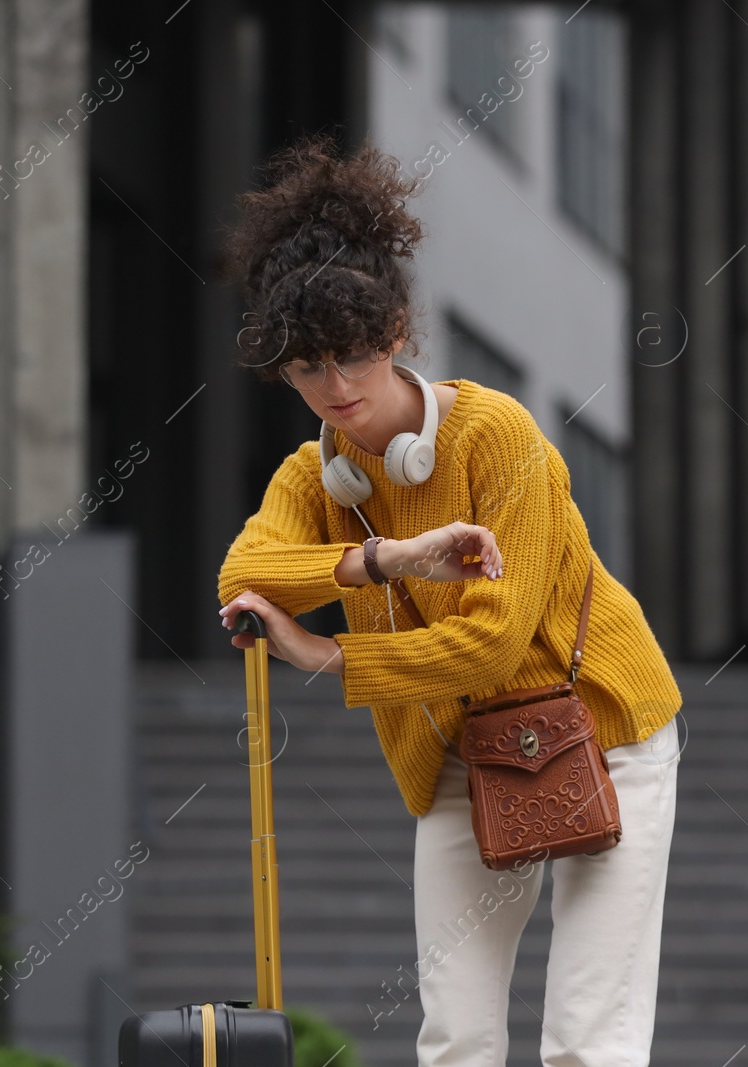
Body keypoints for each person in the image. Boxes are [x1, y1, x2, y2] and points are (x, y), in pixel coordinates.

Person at [213, 132, 684, 1067]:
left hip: (607, 729)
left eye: (351, 356)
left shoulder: (494, 436)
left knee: (589, 1038)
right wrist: (385, 560)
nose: (336, 388)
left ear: (396, 335)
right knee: (456, 1035)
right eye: (308, 369)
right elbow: (242, 577)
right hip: (464, 754)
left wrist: (328, 654)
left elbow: (493, 645)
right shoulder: (315, 478)